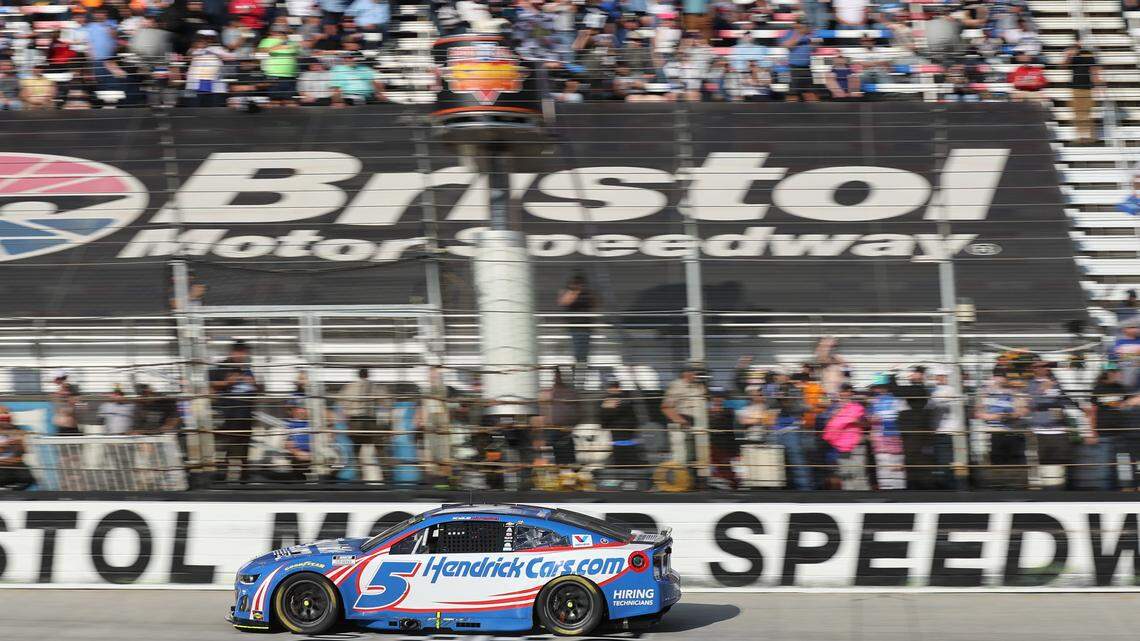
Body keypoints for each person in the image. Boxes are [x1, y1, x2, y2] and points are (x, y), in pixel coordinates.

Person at [208, 340, 262, 482]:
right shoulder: (223, 366)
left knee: (244, 445)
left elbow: (256, 391)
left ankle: (245, 476)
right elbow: (209, 384)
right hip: (229, 414)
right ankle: (222, 476)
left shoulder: (246, 368)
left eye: (244, 352)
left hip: (246, 414)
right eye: (239, 351)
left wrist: (254, 385)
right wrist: (227, 383)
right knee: (228, 446)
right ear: (232, 352)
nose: (242, 354)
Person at [1089, 365, 1140, 487]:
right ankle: (1105, 492)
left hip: (1121, 433)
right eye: (1116, 372)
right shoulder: (1098, 389)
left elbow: (1128, 404)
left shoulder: (1121, 388)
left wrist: (1132, 401)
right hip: (1103, 433)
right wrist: (1092, 432)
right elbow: (1092, 412)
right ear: (1109, 373)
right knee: (1105, 466)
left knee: (1123, 464)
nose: (1119, 375)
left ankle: (1122, 489)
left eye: (1119, 372)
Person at [766, 371, 814, 490]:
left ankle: (805, 489)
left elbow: (804, 407)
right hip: (777, 431)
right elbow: (770, 405)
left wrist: (788, 402)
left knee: (798, 462)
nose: (779, 377)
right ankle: (776, 490)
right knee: (775, 463)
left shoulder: (795, 390)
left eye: (781, 375)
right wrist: (778, 398)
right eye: (777, 375)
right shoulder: (773, 390)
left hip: (792, 430)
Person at [337, 367, 387, 477]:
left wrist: (348, 411)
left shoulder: (349, 386)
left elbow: (341, 402)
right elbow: (386, 402)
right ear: (368, 375)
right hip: (369, 422)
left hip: (354, 422)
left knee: (356, 449)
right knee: (377, 447)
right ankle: (385, 471)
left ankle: (358, 473)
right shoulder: (375, 386)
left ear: (358, 375)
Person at [823, 383, 870, 490]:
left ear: (851, 393)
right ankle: (849, 497)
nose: (844, 394)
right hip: (841, 446)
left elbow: (866, 423)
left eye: (847, 391)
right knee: (845, 473)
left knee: (859, 473)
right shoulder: (833, 408)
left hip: (856, 444)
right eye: (842, 391)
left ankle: (862, 497)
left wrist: (855, 420)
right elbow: (828, 425)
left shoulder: (858, 407)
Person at [662, 365, 706, 476]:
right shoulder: (677, 385)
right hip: (681, 422)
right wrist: (681, 421)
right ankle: (679, 482)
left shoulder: (698, 387)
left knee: (696, 456)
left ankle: (694, 481)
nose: (697, 375)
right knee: (681, 456)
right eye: (695, 373)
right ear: (686, 373)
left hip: (698, 423)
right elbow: (666, 407)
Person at [868, 374, 905, 489]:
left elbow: (902, 417)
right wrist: (872, 420)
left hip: (895, 438)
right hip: (880, 439)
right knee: (883, 465)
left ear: (886, 386)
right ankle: (885, 490)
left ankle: (899, 491)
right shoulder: (874, 402)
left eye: (880, 386)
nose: (877, 389)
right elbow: (869, 418)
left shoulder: (897, 400)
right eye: (876, 386)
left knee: (896, 466)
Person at [537, 368, 579, 468]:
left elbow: (577, 411)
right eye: (555, 376)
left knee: (568, 459)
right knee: (552, 460)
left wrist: (572, 425)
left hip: (565, 430)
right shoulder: (546, 393)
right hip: (550, 430)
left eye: (558, 375)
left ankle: (568, 475)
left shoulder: (570, 393)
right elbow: (541, 412)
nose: (556, 378)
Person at [1064, 34, 1102, 146]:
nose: (1079, 43)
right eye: (1077, 41)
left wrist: (1098, 85)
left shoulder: (1089, 54)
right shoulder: (1071, 53)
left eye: (1080, 40)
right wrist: (1069, 55)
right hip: (1075, 87)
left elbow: (1094, 70)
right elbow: (1064, 66)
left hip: (1087, 87)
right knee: (1077, 114)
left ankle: (1091, 138)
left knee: (1087, 113)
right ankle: (1080, 137)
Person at [599, 378, 644, 468]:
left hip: (619, 431)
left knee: (621, 453)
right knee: (628, 452)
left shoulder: (613, 399)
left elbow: (606, 415)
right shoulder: (626, 398)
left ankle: (623, 468)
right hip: (627, 431)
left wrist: (604, 424)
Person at [558, 273, 596, 370]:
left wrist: (586, 292)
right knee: (576, 351)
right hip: (574, 327)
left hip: (586, 326)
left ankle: (582, 366)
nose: (578, 285)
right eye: (576, 283)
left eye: (580, 283)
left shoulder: (587, 293)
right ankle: (577, 367)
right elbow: (564, 302)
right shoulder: (568, 292)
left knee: (584, 351)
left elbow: (595, 304)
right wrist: (574, 291)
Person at [257, 23, 300, 105]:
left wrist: (289, 40)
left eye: (283, 32)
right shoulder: (267, 41)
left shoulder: (292, 42)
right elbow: (260, 53)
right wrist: (279, 46)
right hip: (274, 75)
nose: (281, 34)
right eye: (279, 32)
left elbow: (298, 52)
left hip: (290, 76)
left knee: (289, 101)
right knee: (275, 101)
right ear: (272, 32)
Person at [706, 389, 740, 489]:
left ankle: (731, 483)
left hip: (724, 444)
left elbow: (731, 431)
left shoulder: (729, 412)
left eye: (720, 397)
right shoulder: (706, 413)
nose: (718, 399)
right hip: (711, 444)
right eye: (715, 397)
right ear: (712, 399)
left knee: (725, 467)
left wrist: (734, 451)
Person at [0, 408, 34, 490]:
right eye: (3, 419)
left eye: (8, 419)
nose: (6, 422)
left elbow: (24, 452)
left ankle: (12, 492)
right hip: (2, 465)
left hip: (15, 463)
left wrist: (19, 443)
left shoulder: (17, 430)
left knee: (28, 479)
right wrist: (6, 445)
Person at [1110, 317, 1140, 391]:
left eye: (1137, 327)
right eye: (1132, 327)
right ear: (1124, 329)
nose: (1135, 329)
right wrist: (1111, 373)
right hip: (1123, 377)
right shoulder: (1118, 342)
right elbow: (1111, 358)